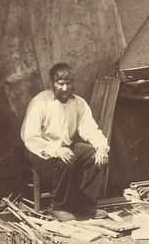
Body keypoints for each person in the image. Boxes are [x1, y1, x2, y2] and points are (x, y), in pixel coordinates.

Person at [20, 62, 110, 221]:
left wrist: (102, 147)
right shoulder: (40, 102)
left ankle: (84, 205)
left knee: (96, 155)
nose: (65, 88)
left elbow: (90, 129)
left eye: (68, 83)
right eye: (60, 84)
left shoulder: (78, 103)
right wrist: (56, 150)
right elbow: (30, 137)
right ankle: (59, 207)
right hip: (39, 151)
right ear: (52, 83)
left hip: (66, 147)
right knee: (65, 159)